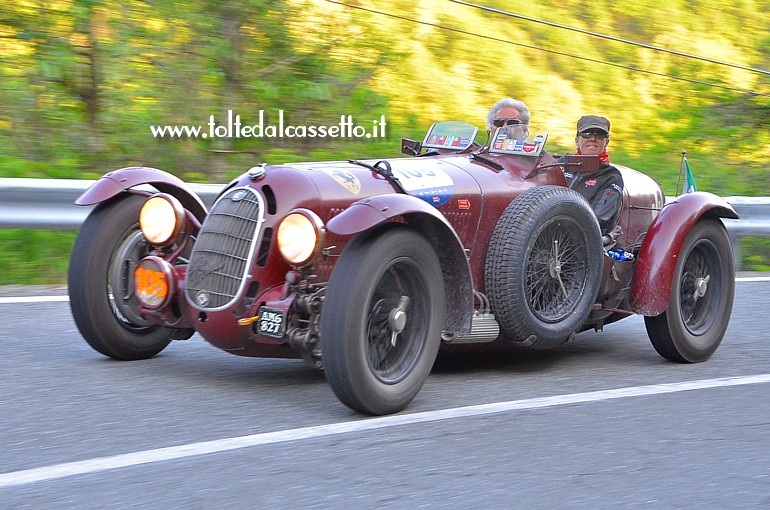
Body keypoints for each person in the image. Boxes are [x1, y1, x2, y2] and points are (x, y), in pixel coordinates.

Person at [561, 115, 624, 236]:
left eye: (599, 135)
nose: (593, 139)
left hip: (582, 239)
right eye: (586, 134)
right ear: (577, 140)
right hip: (544, 229)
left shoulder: (611, 176)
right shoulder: (562, 163)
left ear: (606, 142)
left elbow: (598, 219)